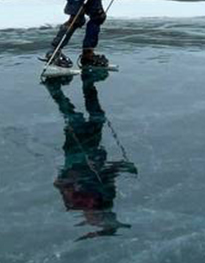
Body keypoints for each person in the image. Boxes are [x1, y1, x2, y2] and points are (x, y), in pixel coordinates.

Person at [42, 70, 137, 240]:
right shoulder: (107, 198)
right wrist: (122, 166)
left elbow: (59, 182)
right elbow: (109, 176)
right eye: (107, 217)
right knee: (97, 117)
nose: (102, 215)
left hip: (75, 154)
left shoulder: (74, 203)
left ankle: (53, 88)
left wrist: (74, 179)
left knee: (75, 119)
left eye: (101, 219)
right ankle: (88, 85)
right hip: (94, 151)